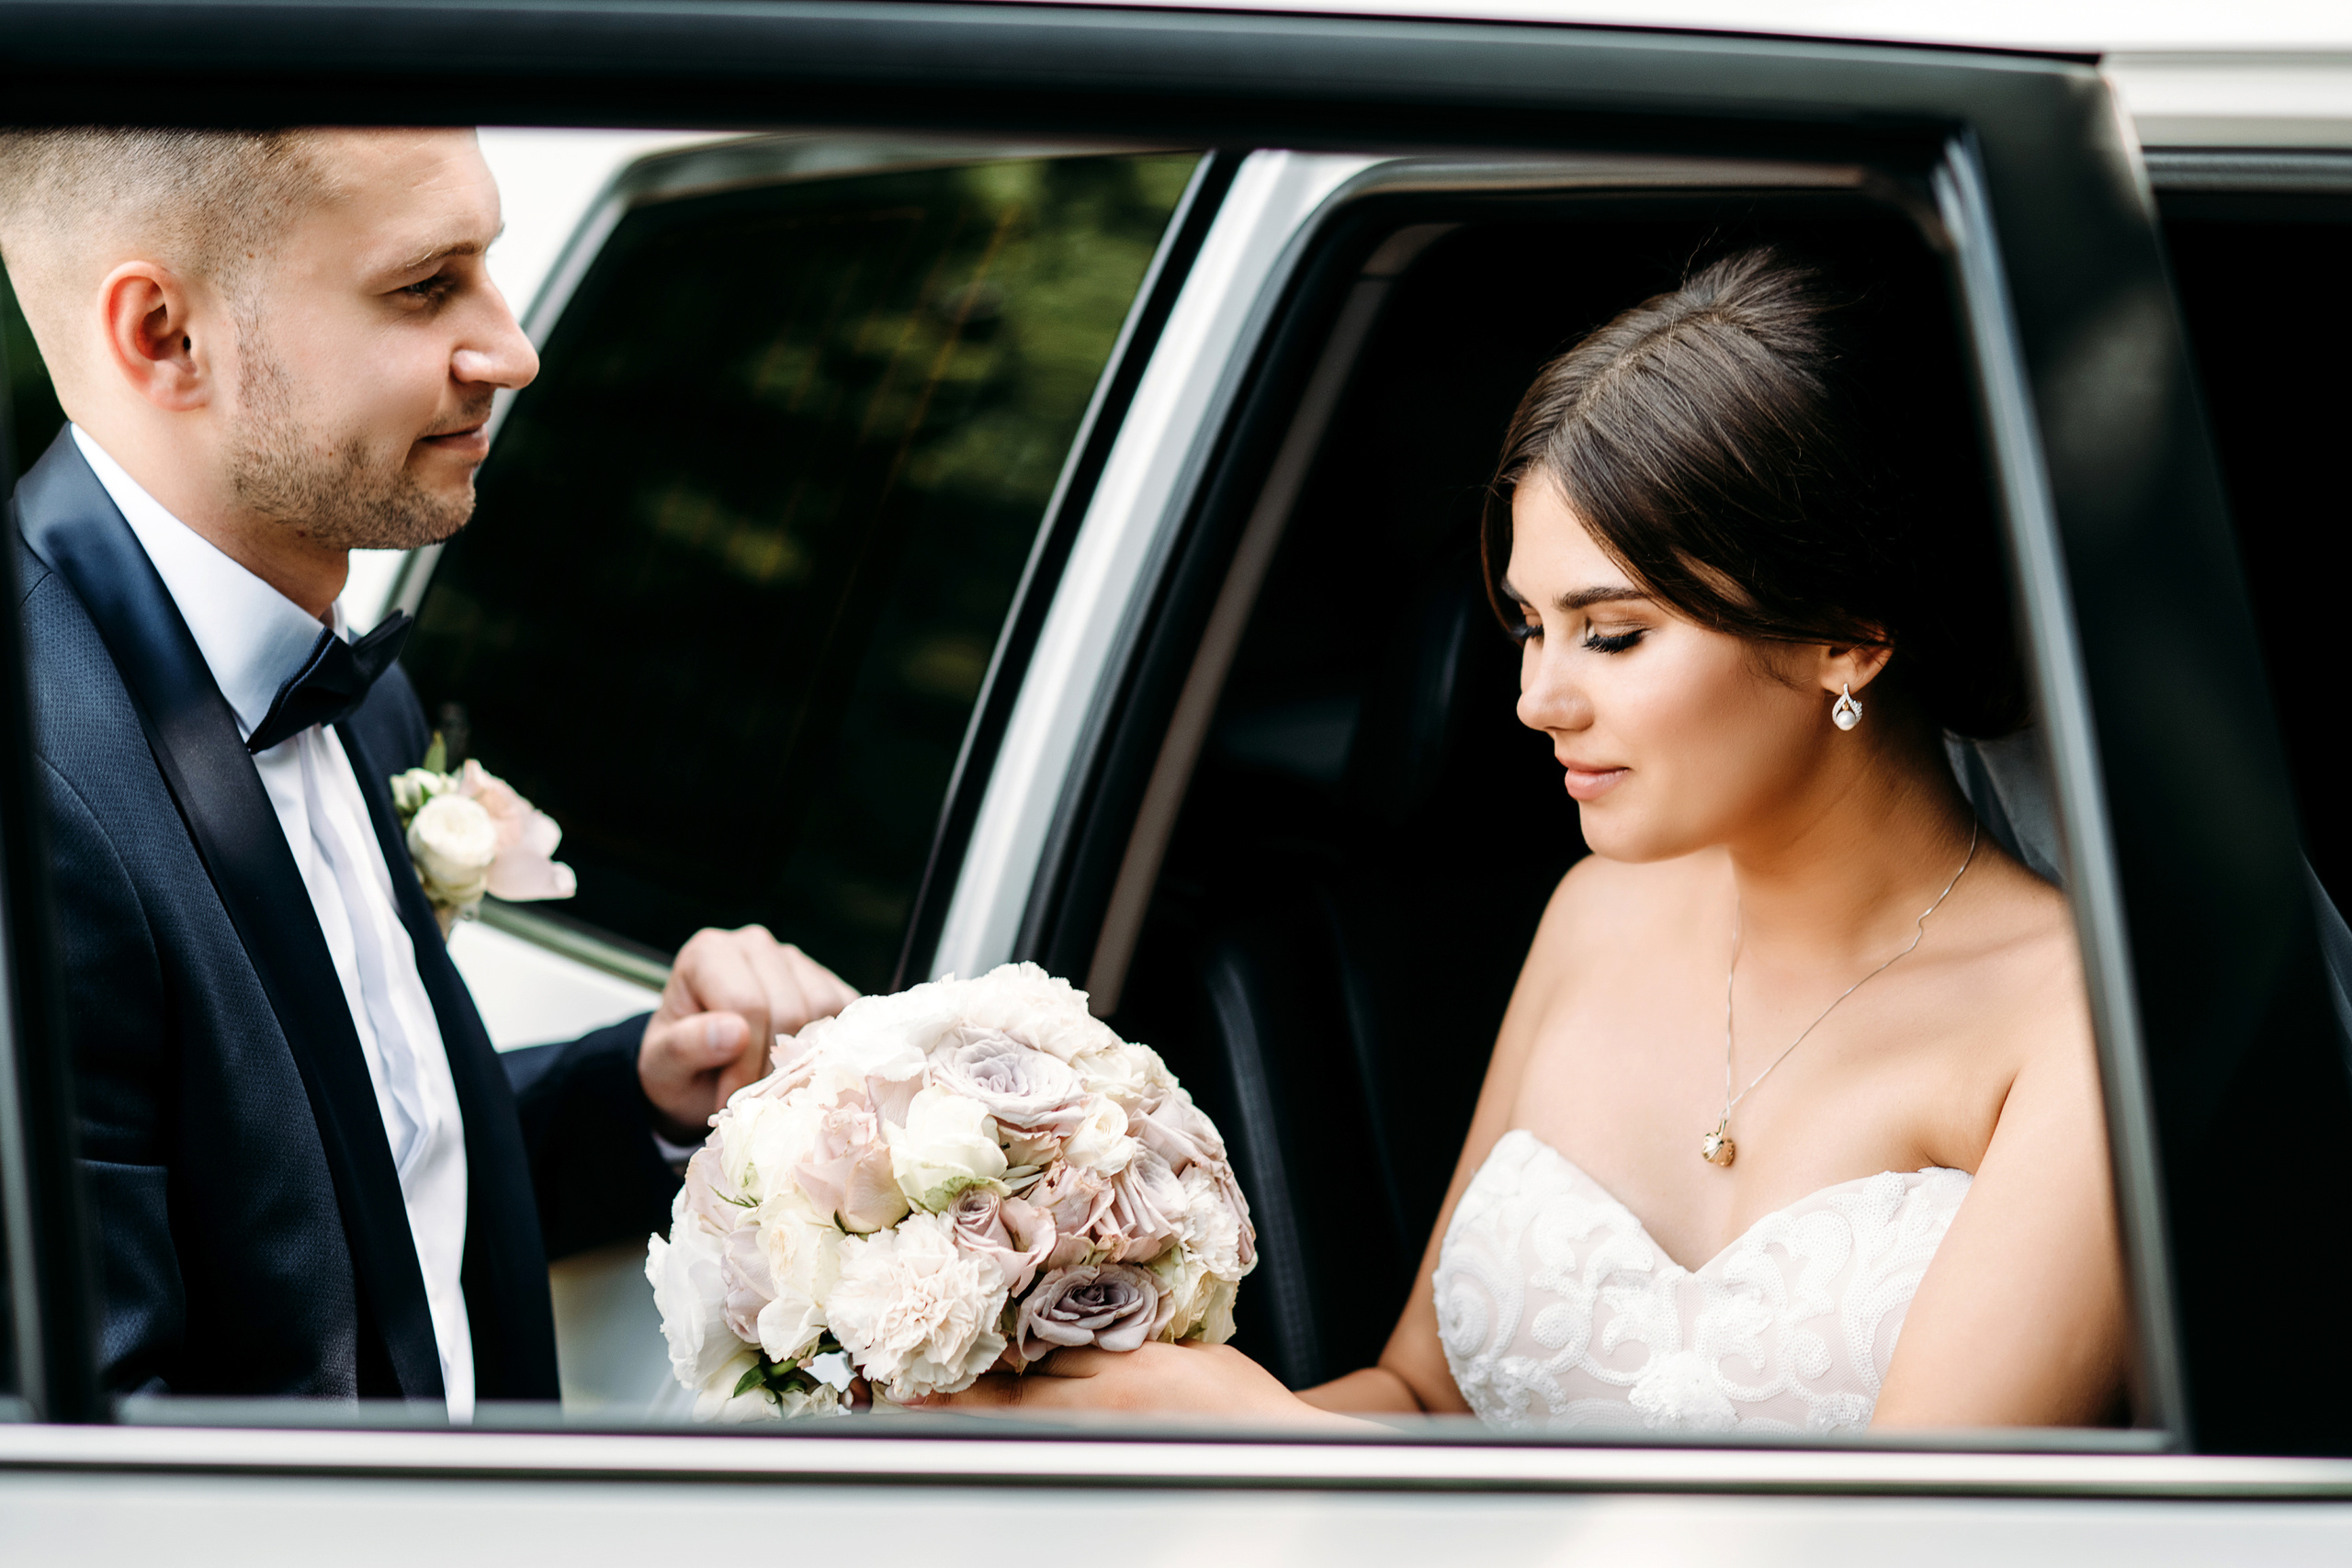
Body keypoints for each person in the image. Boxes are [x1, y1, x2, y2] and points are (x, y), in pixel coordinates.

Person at [930, 248, 2129, 1430]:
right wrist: (1187, 1418)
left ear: (1847, 638)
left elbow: (1918, 1549)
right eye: (1528, 627)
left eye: (1610, 635)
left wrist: (1287, 1452)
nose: (1536, 700)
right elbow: (1427, 1396)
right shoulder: (1594, 913)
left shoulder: (2083, 1026)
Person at [0, 128, 855, 1414]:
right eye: (424, 286)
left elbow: (329, 1190)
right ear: (164, 335)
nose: (512, 351)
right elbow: (84, 1470)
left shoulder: (356, 690)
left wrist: (646, 1099)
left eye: (489, 270)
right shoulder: (32, 795)